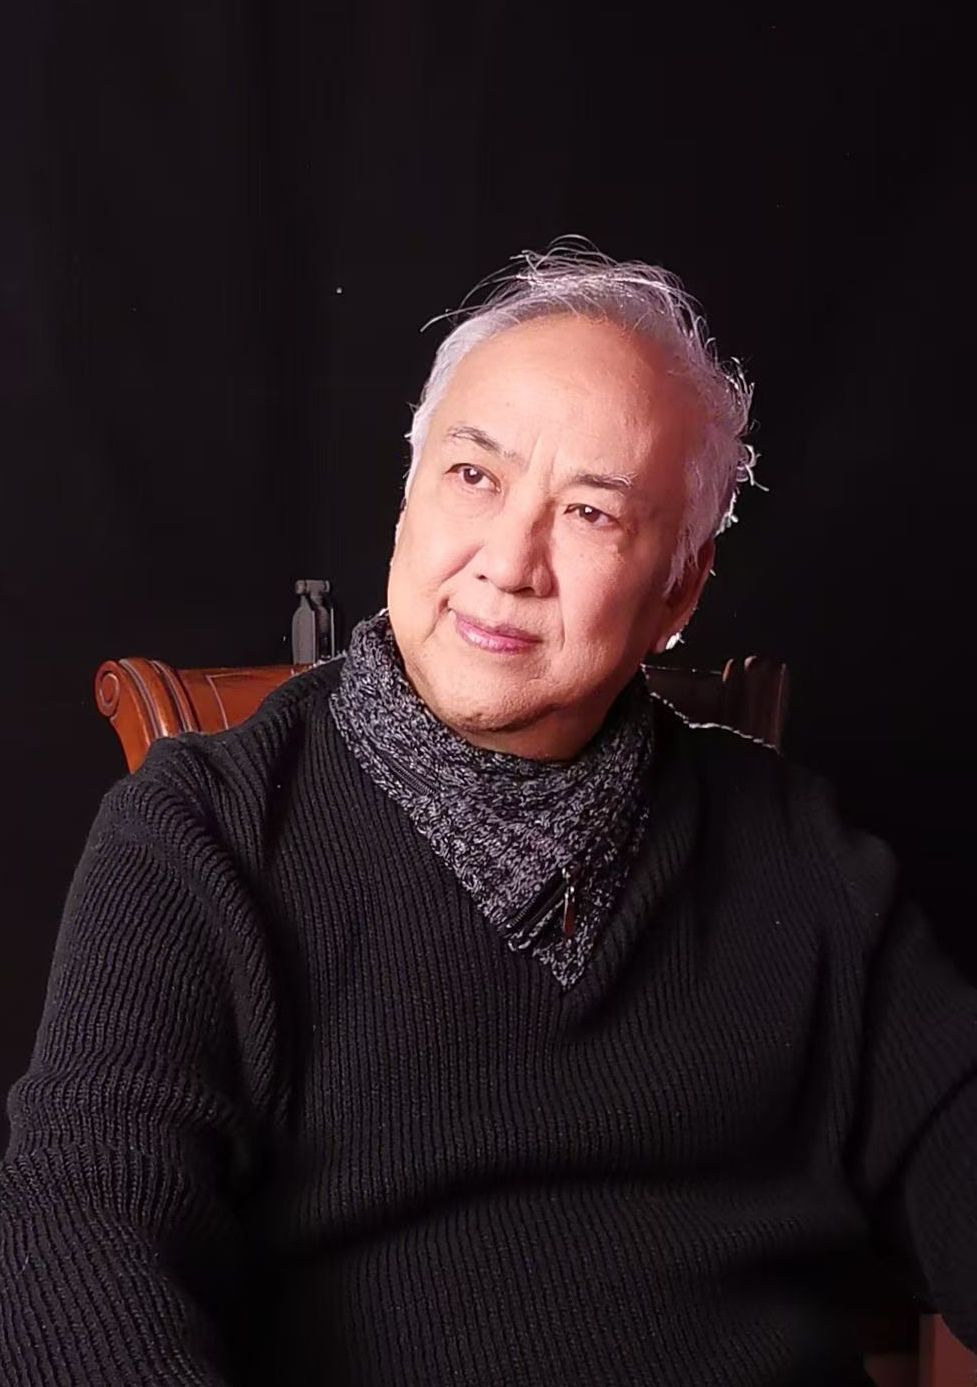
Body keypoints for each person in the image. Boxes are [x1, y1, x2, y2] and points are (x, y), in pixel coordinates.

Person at [1, 246, 975, 1386]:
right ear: (408, 497)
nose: (509, 562)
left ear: (677, 586)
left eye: (590, 512)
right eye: (473, 475)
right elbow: (77, 1250)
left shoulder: (794, 848)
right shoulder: (204, 835)